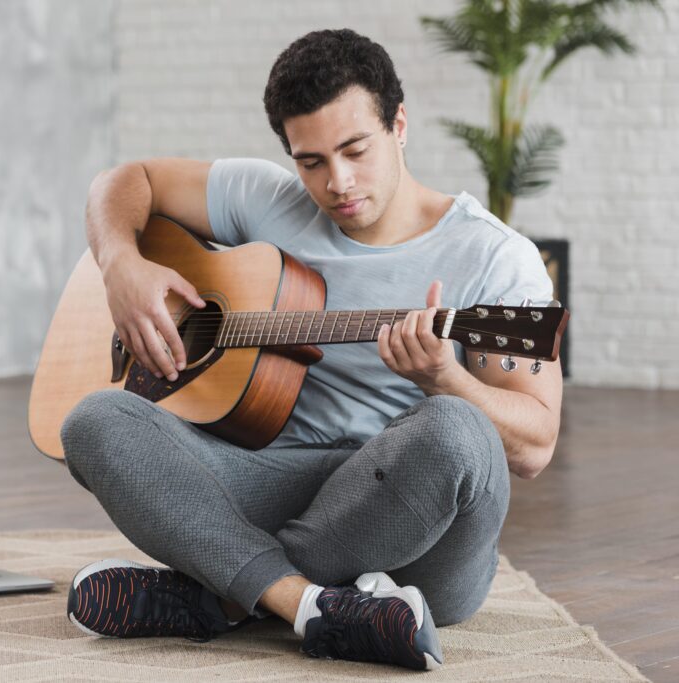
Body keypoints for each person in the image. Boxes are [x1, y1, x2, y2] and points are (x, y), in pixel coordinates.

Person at [60, 29, 562, 671]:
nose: (338, 182)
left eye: (355, 149)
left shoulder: (494, 256)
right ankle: (306, 604)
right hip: (274, 480)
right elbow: (124, 181)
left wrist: (446, 380)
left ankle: (223, 589)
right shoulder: (266, 199)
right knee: (95, 420)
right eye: (312, 161)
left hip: (416, 524)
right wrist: (120, 264)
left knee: (456, 432)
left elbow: (536, 444)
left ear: (399, 125)